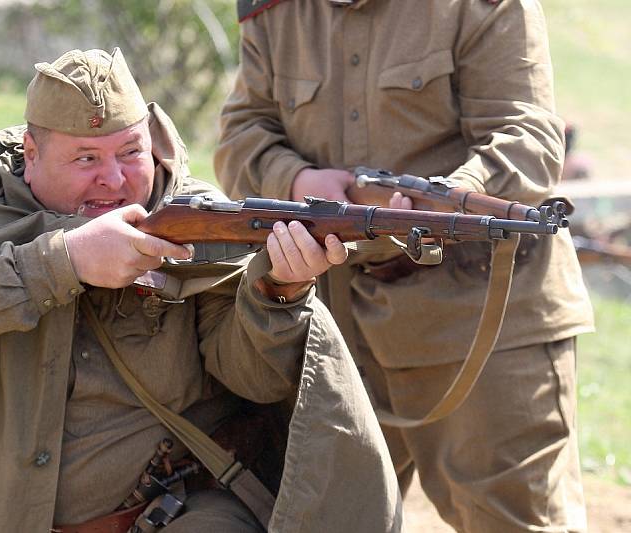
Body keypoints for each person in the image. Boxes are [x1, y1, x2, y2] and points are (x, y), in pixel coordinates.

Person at [0, 48, 401, 533]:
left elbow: (253, 381)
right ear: (31, 154)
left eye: (129, 152)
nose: (114, 180)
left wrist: (279, 291)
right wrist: (66, 261)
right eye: (85, 159)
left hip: (165, 513)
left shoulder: (198, 221)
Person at [215, 1, 595, 532]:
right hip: (337, 325)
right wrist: (297, 181)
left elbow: (529, 137)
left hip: (484, 322)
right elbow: (241, 134)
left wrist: (455, 199)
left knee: (514, 522)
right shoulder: (279, 10)